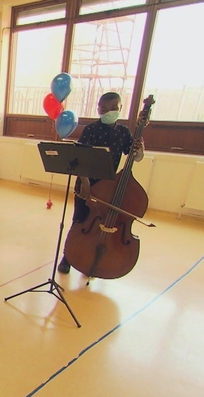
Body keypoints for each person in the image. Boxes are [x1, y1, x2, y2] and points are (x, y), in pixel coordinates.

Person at [58, 91, 145, 274]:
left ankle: (92, 257)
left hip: (108, 188)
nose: (109, 112)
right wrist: (86, 185)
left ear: (120, 108)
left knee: (102, 224)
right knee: (80, 220)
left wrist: (140, 150)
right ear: (99, 109)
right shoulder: (91, 130)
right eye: (104, 109)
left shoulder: (123, 132)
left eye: (114, 108)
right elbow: (79, 158)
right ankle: (68, 256)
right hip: (86, 183)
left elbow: (135, 157)